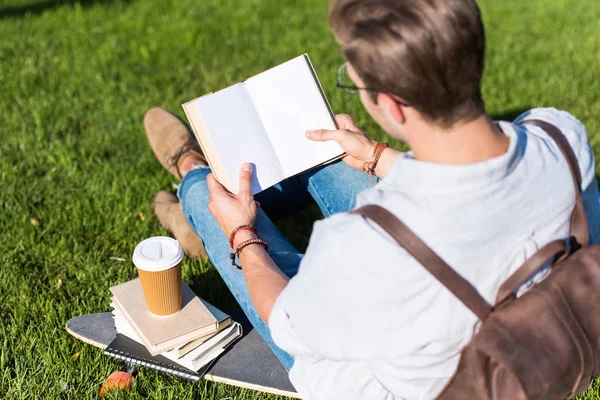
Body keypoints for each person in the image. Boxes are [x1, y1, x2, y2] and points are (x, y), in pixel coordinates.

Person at [145, 0, 600, 398]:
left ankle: (189, 171)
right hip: (495, 316)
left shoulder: (366, 240)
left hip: (373, 381)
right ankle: (205, 202)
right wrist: (378, 157)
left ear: (392, 105)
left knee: (216, 196)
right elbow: (475, 191)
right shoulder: (561, 136)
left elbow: (284, 318)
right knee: (337, 157)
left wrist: (241, 233)